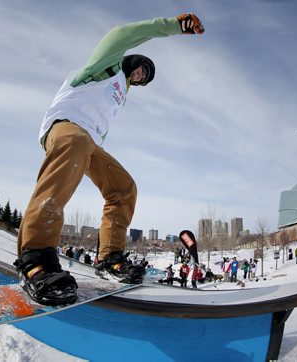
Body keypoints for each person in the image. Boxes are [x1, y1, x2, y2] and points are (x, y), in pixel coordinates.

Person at [13, 14, 205, 305]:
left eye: (144, 78)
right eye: (141, 69)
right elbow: (124, 34)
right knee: (76, 143)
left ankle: (111, 258)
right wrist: (175, 26)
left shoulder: (120, 93)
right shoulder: (104, 65)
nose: (140, 76)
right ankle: (35, 256)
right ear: (131, 61)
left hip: (88, 144)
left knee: (123, 187)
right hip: (64, 129)